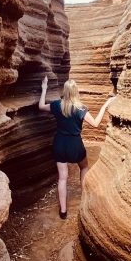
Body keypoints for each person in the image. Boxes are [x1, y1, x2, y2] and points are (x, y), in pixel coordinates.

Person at [39, 76, 114, 219]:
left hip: (59, 144)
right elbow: (96, 124)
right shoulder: (81, 109)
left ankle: (63, 211)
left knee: (62, 178)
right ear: (76, 92)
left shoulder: (56, 105)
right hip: (75, 145)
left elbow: (41, 106)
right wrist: (105, 105)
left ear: (65, 91)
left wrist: (44, 89)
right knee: (84, 167)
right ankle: (84, 198)